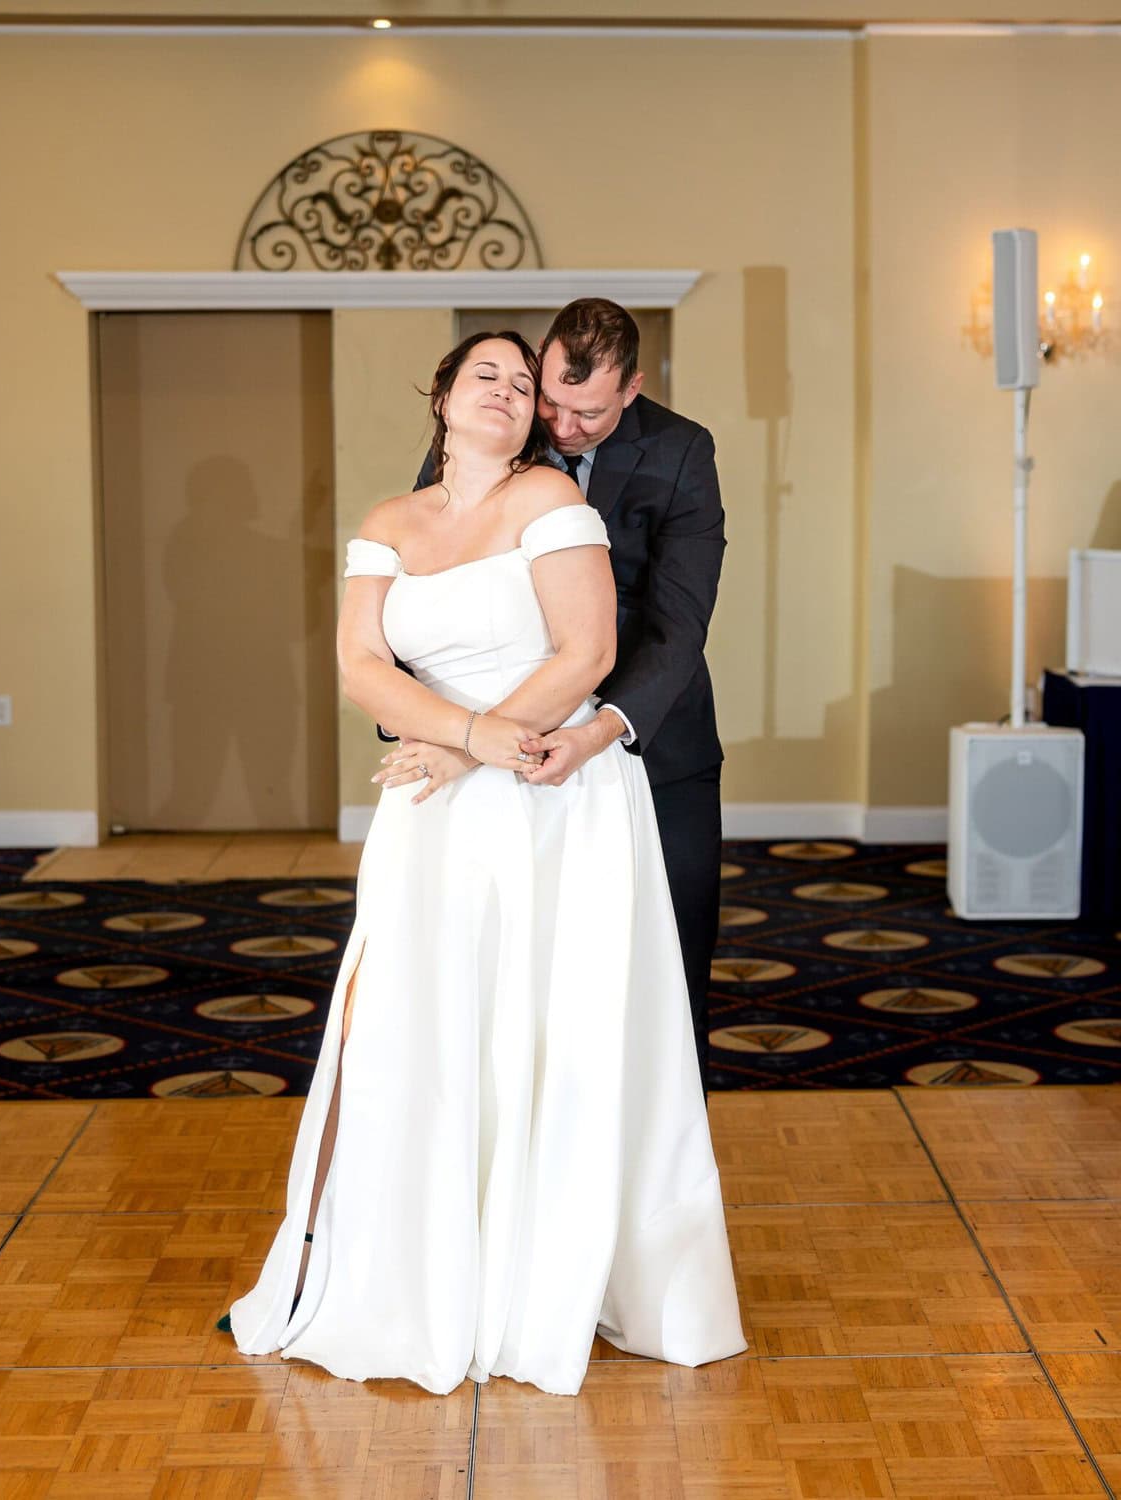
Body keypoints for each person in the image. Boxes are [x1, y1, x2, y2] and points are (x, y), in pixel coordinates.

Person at [222, 330, 745, 1398]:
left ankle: (542, 1272)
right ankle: (415, 1263)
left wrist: (486, 746)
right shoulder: (389, 521)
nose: (509, 393)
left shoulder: (554, 499)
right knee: (423, 1018)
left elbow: (590, 651)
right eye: (488, 377)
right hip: (437, 801)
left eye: (522, 381)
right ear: (442, 397)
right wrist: (466, 746)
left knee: (552, 1022)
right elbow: (362, 664)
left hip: (553, 791)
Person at [398, 299, 726, 1085]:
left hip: (651, 742)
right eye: (552, 401)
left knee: (670, 969)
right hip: (502, 747)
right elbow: (427, 574)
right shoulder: (496, 433)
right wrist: (439, 726)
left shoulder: (681, 451)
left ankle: (661, 1181)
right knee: (529, 977)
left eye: (589, 412)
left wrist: (600, 728)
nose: (564, 426)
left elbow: (680, 622)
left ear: (633, 388)